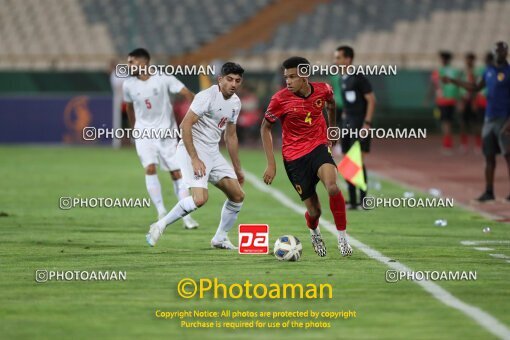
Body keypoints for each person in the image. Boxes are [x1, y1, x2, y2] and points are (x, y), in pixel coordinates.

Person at [146, 62, 245, 249]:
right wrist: (194, 159)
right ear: (220, 80)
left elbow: (230, 135)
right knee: (200, 199)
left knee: (237, 195)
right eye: (229, 79)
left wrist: (237, 168)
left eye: (237, 81)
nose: (233, 84)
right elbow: (185, 125)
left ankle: (220, 238)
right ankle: (160, 225)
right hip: (192, 149)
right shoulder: (206, 96)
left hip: (212, 152)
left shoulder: (236, 103)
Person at [261, 56, 352, 257]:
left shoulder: (323, 89)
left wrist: (333, 128)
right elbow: (265, 127)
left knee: (333, 186)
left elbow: (331, 104)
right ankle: (314, 231)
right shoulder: (279, 99)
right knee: (314, 212)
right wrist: (271, 164)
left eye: (292, 77)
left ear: (304, 76)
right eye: (286, 77)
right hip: (294, 157)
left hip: (318, 145)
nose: (288, 81)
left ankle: (343, 239)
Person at [122, 48, 199, 229]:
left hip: (166, 133)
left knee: (176, 173)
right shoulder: (128, 85)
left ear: (143, 62)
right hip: (144, 134)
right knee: (149, 167)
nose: (128, 65)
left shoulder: (164, 78)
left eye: (131, 62)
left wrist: (198, 110)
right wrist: (134, 130)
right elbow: (129, 108)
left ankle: (186, 217)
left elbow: (186, 93)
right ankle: (161, 211)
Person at [443, 42, 510, 202]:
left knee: (508, 156)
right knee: (489, 156)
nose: (499, 53)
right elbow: (475, 88)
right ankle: (489, 191)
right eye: (497, 50)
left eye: (502, 50)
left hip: (504, 118)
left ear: (506, 52)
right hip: (489, 118)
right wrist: (454, 81)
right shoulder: (489, 71)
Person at [334, 45, 376, 210]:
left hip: (360, 123)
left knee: (357, 161)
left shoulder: (358, 77)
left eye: (338, 58)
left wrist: (367, 123)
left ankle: (363, 199)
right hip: (347, 123)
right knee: (347, 161)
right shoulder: (342, 78)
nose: (335, 61)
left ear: (348, 59)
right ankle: (352, 200)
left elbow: (372, 100)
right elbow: (347, 104)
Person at [430, 51, 461, 153]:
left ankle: (447, 145)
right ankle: (449, 144)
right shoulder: (454, 71)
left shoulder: (439, 71)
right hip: (450, 100)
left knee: (445, 123)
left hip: (443, 101)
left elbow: (435, 85)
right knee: (448, 123)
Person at [459, 53, 483, 153]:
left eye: (470, 60)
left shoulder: (477, 72)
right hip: (465, 100)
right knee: (464, 123)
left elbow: (476, 88)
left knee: (476, 124)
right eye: (467, 60)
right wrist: (460, 101)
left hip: (473, 100)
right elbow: (460, 87)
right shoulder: (463, 73)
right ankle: (464, 144)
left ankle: (478, 144)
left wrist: (474, 101)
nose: (468, 62)